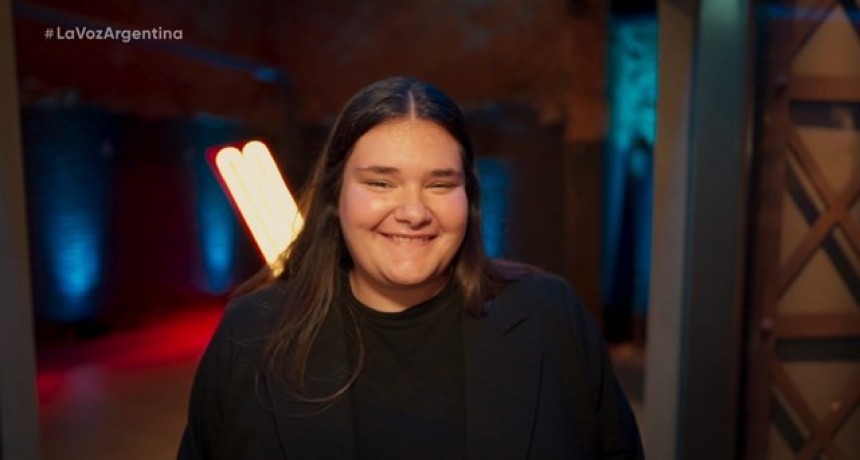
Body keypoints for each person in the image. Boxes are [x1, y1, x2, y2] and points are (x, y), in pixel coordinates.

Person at [178, 76, 643, 459]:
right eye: (381, 183)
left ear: (469, 199)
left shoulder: (551, 315)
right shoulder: (252, 333)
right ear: (336, 196)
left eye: (440, 185)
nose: (414, 212)